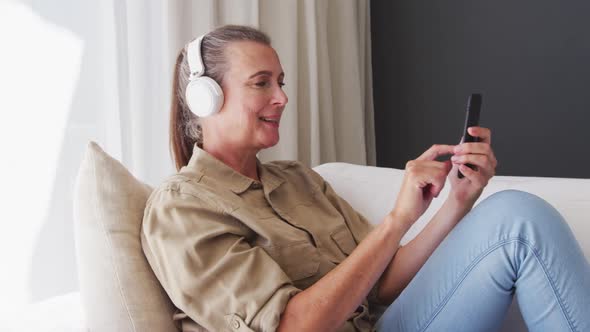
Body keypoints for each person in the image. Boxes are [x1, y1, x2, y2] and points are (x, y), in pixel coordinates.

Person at [141, 25, 590, 332]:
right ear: (205, 98)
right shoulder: (182, 208)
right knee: (517, 222)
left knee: (516, 214)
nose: (282, 97)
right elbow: (292, 326)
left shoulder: (298, 180)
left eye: (281, 81)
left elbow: (381, 285)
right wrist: (397, 218)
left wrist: (456, 201)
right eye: (262, 83)